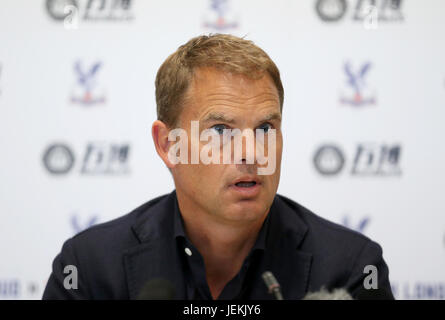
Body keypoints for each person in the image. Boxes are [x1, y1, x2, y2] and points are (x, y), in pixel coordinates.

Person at [42, 34, 394, 300]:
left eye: (265, 129)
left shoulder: (350, 268)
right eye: (221, 131)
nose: (252, 153)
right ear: (169, 145)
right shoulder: (88, 268)